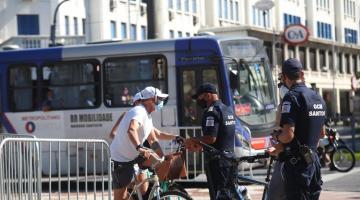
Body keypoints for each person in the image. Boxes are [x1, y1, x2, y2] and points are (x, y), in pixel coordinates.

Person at [270, 58, 326, 200]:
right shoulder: (317, 97)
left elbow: (288, 135)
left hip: (297, 165)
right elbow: (322, 133)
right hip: (314, 162)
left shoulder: (291, 97)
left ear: (284, 76)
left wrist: (276, 136)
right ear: (301, 74)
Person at [110, 86, 178, 200]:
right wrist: (139, 148)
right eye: (159, 99)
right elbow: (131, 129)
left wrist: (175, 140)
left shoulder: (147, 116)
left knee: (150, 179)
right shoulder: (139, 111)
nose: (161, 102)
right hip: (121, 159)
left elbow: (154, 138)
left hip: (134, 156)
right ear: (152, 100)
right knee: (120, 197)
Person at [184, 83, 237, 200]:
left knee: (219, 196)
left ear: (207, 95)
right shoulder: (227, 109)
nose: (198, 101)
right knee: (230, 194)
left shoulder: (212, 112)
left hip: (217, 162)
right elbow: (223, 136)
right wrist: (200, 145)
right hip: (230, 159)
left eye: (199, 97)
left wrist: (192, 140)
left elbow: (210, 138)